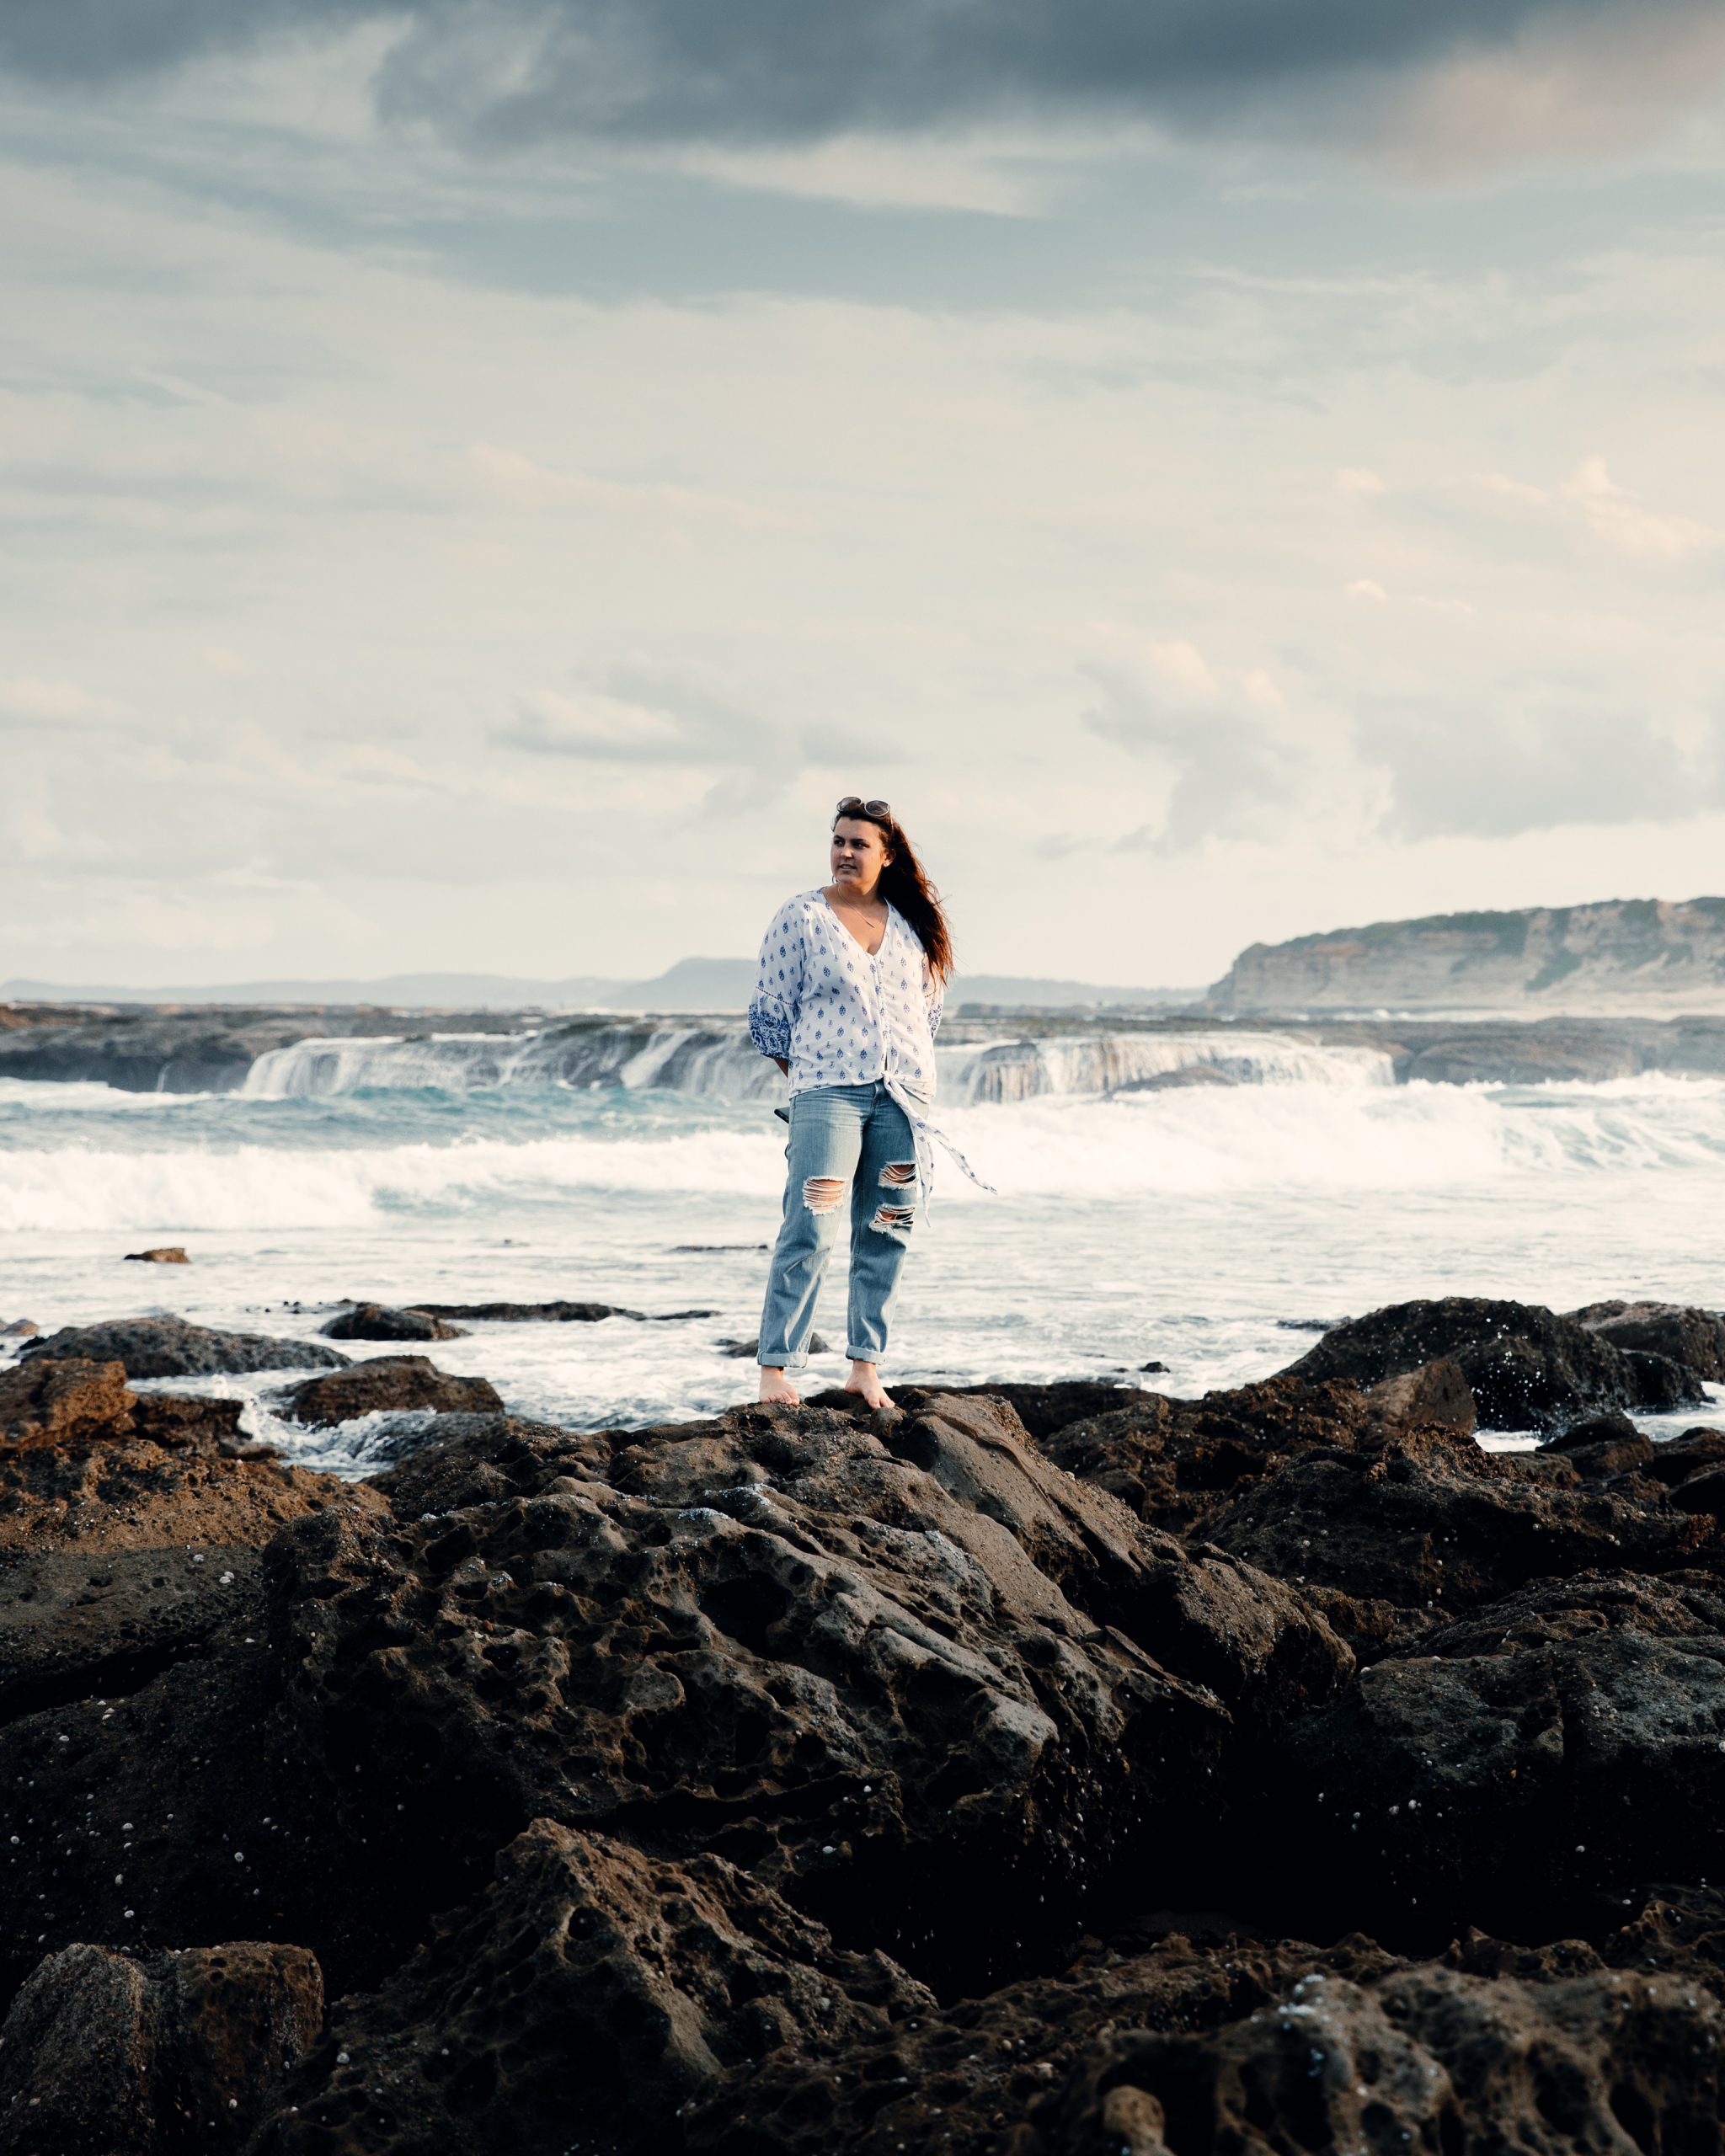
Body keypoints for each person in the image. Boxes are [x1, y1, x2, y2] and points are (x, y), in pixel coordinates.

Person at [747, 796, 987, 1412]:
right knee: (811, 1226)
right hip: (827, 1093)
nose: (845, 852)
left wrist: (905, 1075)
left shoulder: (913, 925)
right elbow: (771, 1015)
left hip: (902, 1101)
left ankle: (865, 1368)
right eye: (838, 841)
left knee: (887, 1230)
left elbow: (926, 1013)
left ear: (887, 855)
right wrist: (812, 1079)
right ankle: (776, 1371)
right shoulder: (800, 917)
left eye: (858, 844)